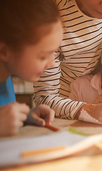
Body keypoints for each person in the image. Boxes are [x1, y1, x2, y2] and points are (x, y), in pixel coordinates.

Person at [0, 0, 63, 136]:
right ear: (4, 52)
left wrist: (24, 117)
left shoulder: (5, 78)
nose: (52, 63)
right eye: (43, 56)